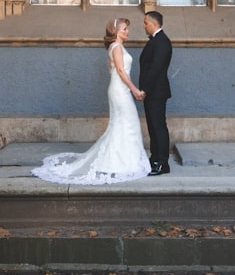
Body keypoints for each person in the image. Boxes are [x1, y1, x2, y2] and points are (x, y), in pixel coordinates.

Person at [31, 18, 151, 185]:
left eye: (127, 29)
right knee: (126, 123)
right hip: (120, 90)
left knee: (125, 124)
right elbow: (121, 72)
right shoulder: (116, 47)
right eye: (124, 29)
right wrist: (135, 89)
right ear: (115, 31)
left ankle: (123, 159)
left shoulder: (118, 47)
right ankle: (118, 161)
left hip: (120, 89)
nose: (127, 31)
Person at [137, 10, 172, 175]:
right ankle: (154, 158)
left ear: (154, 24)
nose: (144, 26)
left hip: (156, 92)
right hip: (152, 92)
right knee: (153, 127)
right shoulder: (156, 41)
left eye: (146, 23)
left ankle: (162, 163)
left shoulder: (162, 42)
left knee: (158, 127)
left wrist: (144, 89)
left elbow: (156, 69)